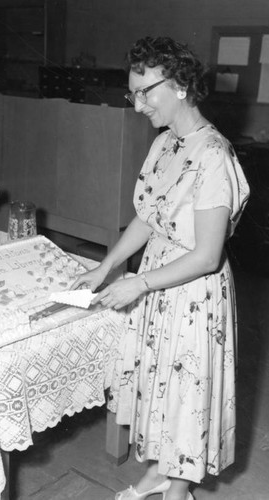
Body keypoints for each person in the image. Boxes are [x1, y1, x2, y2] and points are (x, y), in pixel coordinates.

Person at [72, 36, 250, 500]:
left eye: (145, 92)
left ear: (181, 86)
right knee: (159, 383)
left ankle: (179, 490)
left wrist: (140, 284)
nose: (137, 105)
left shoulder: (213, 155)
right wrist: (107, 265)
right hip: (154, 280)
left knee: (187, 393)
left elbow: (208, 255)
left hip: (193, 291)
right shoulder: (165, 143)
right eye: (132, 93)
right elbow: (148, 217)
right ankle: (158, 474)